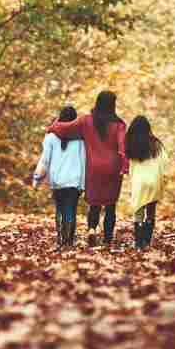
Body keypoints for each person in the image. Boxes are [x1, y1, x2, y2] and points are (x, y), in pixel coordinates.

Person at [48, 91, 126, 246]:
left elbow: (65, 129)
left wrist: (52, 127)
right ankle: (108, 239)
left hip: (93, 169)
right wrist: (125, 165)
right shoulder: (119, 125)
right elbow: (123, 147)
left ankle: (92, 229)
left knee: (94, 204)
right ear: (113, 105)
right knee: (110, 205)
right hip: (113, 169)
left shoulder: (86, 121)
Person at [33, 106, 86, 249]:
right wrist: (83, 183)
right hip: (74, 180)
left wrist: (37, 179)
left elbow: (45, 160)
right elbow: (84, 161)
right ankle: (68, 241)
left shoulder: (50, 136)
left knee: (60, 209)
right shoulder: (81, 139)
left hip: (57, 180)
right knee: (71, 209)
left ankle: (61, 239)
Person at [125, 116, 168, 250]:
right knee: (150, 211)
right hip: (153, 181)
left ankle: (138, 243)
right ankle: (147, 241)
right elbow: (164, 162)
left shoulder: (131, 145)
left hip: (139, 182)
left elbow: (130, 166)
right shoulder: (156, 144)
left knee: (138, 212)